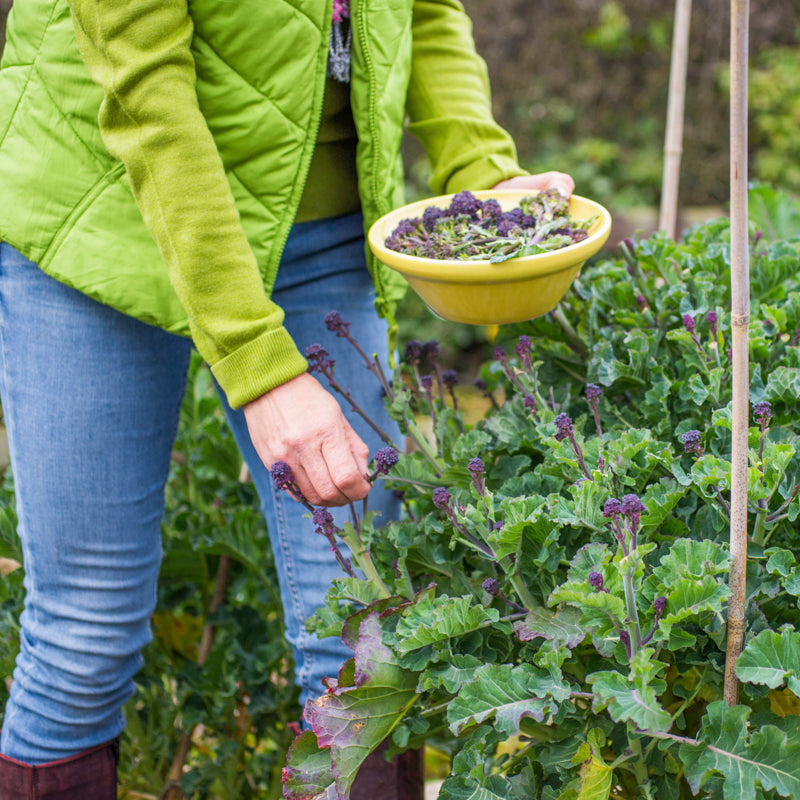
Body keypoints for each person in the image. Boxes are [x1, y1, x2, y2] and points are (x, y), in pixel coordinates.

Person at [0, 0, 574, 796]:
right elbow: (146, 93)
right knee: (85, 634)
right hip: (99, 218)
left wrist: (481, 172)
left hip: (319, 232)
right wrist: (260, 367)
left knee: (362, 645)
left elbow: (426, 12)